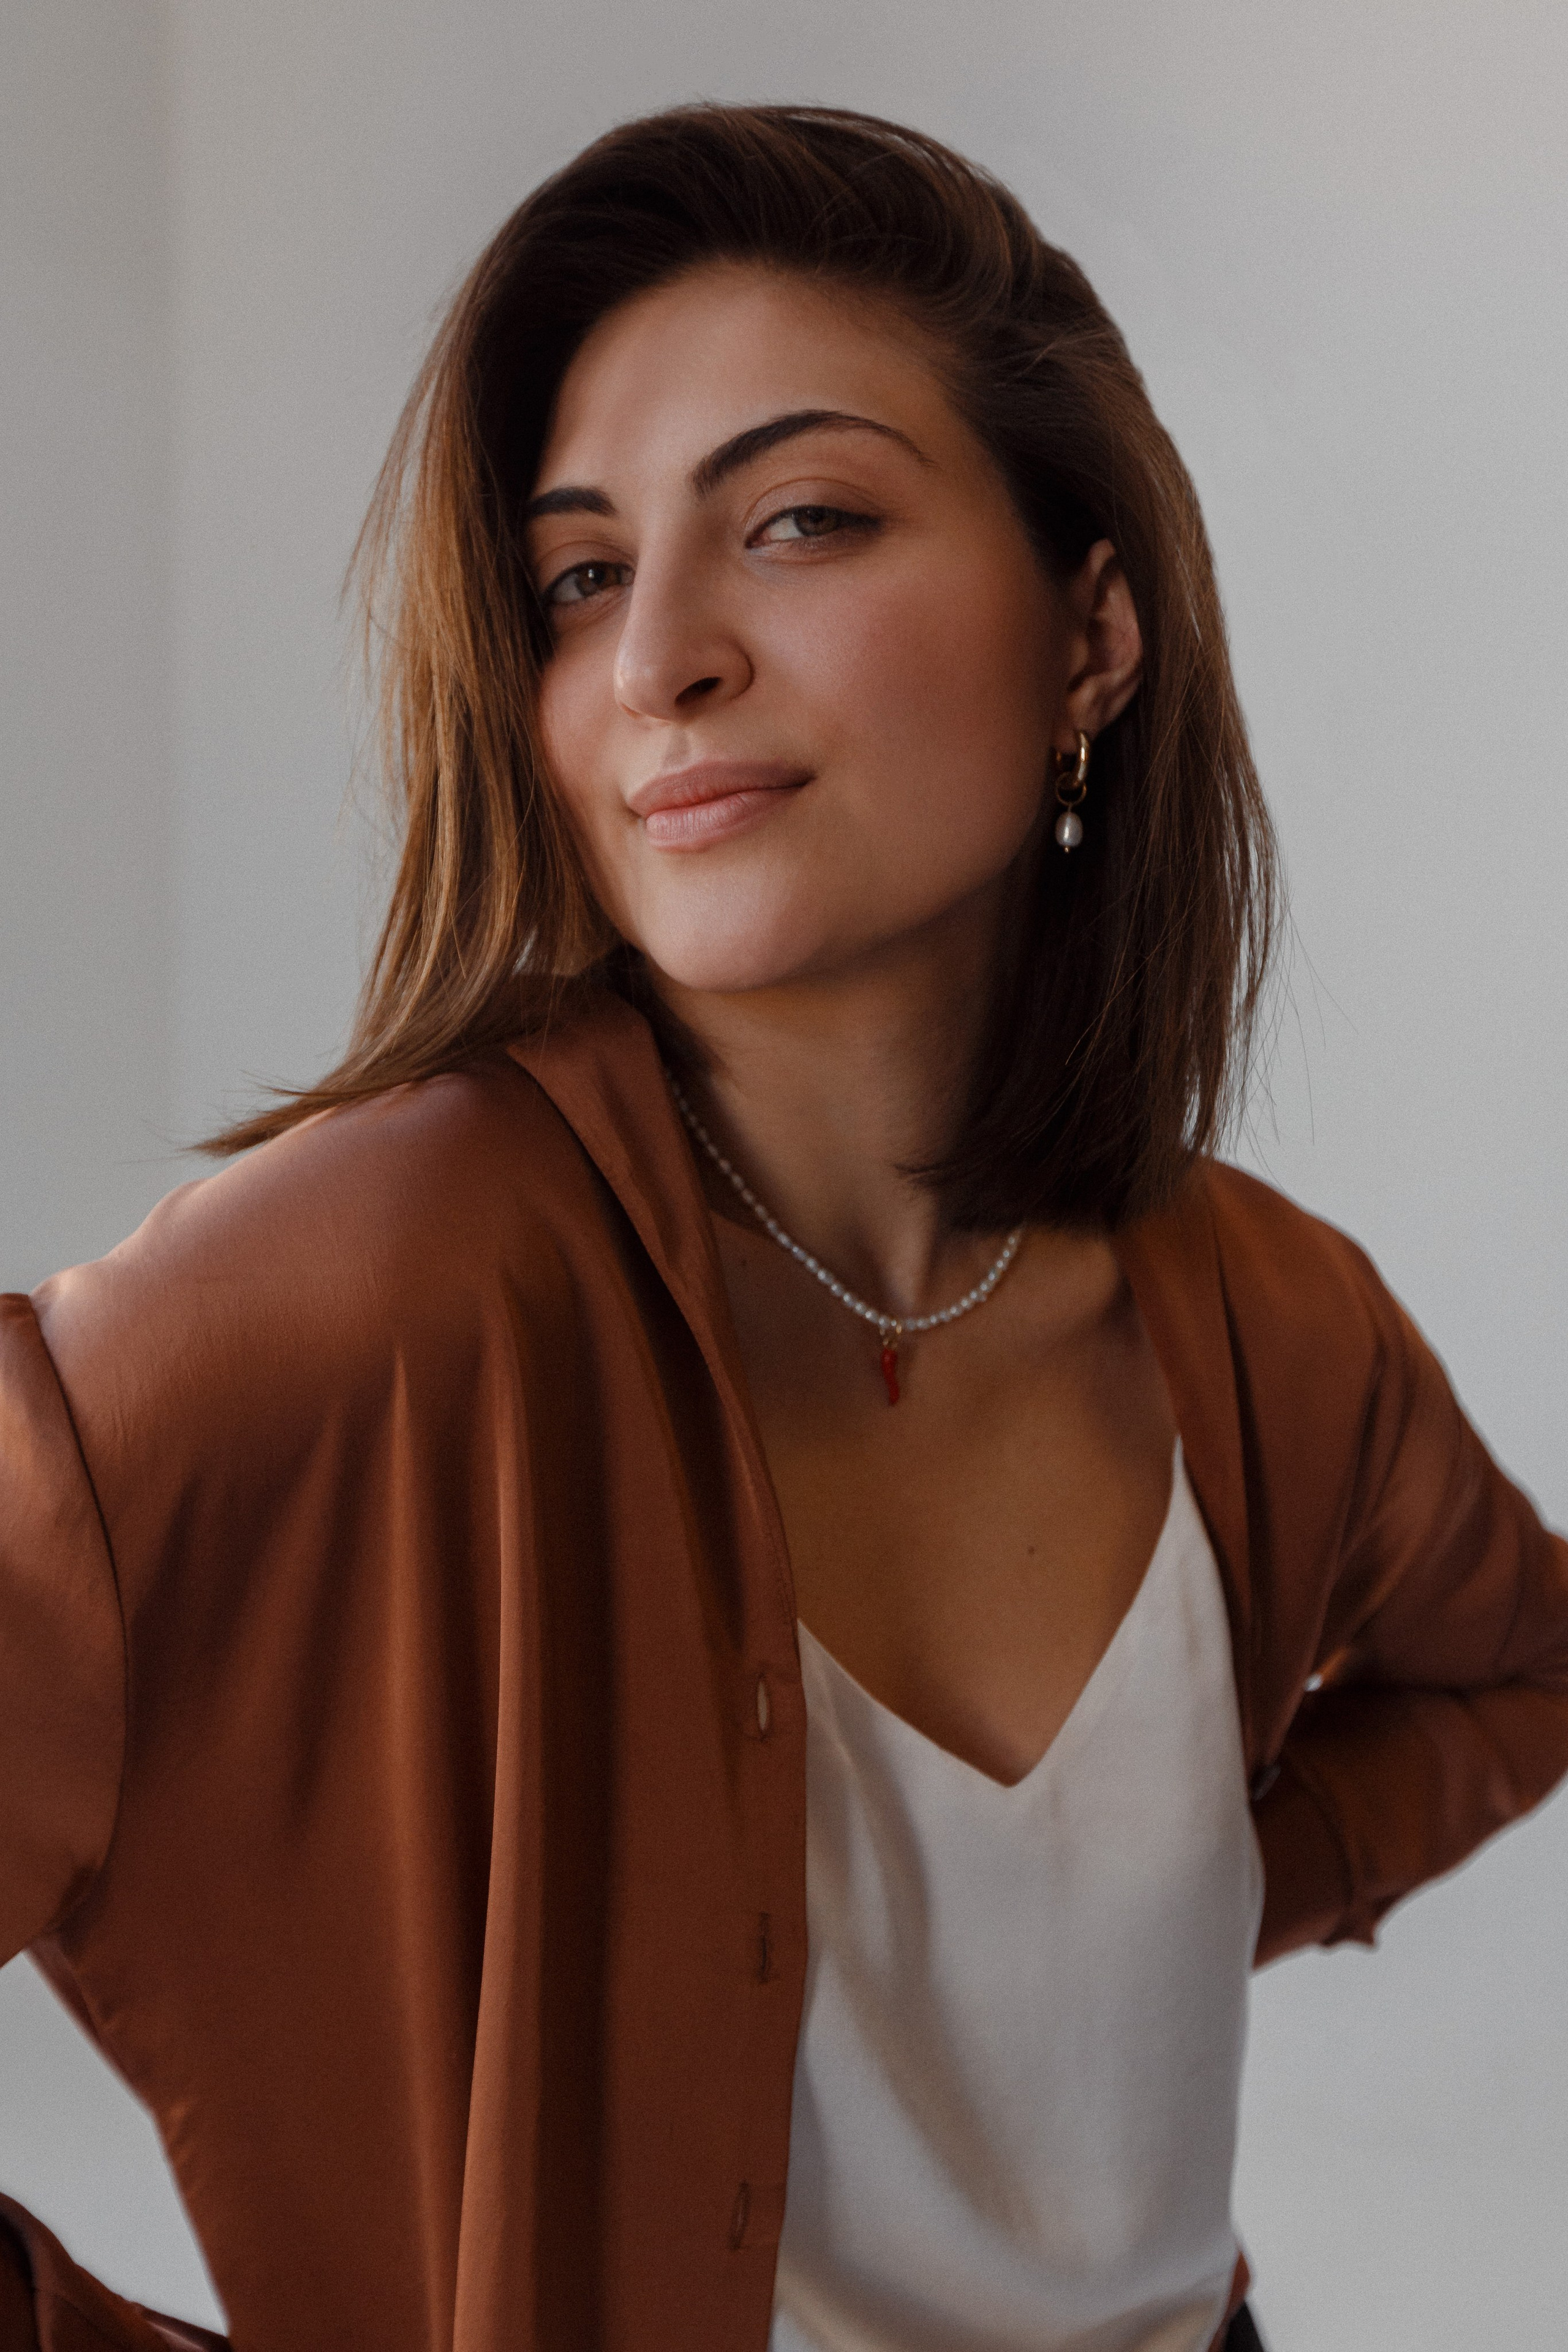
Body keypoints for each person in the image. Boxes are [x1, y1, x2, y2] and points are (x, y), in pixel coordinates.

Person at [1, 101, 1564, 2352]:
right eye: (580, 578)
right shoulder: (378, 1286)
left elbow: (1519, 1663)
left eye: (802, 519)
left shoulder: (1262, 1316)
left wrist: (1236, 1870)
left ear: (1093, 633)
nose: (660, 664)